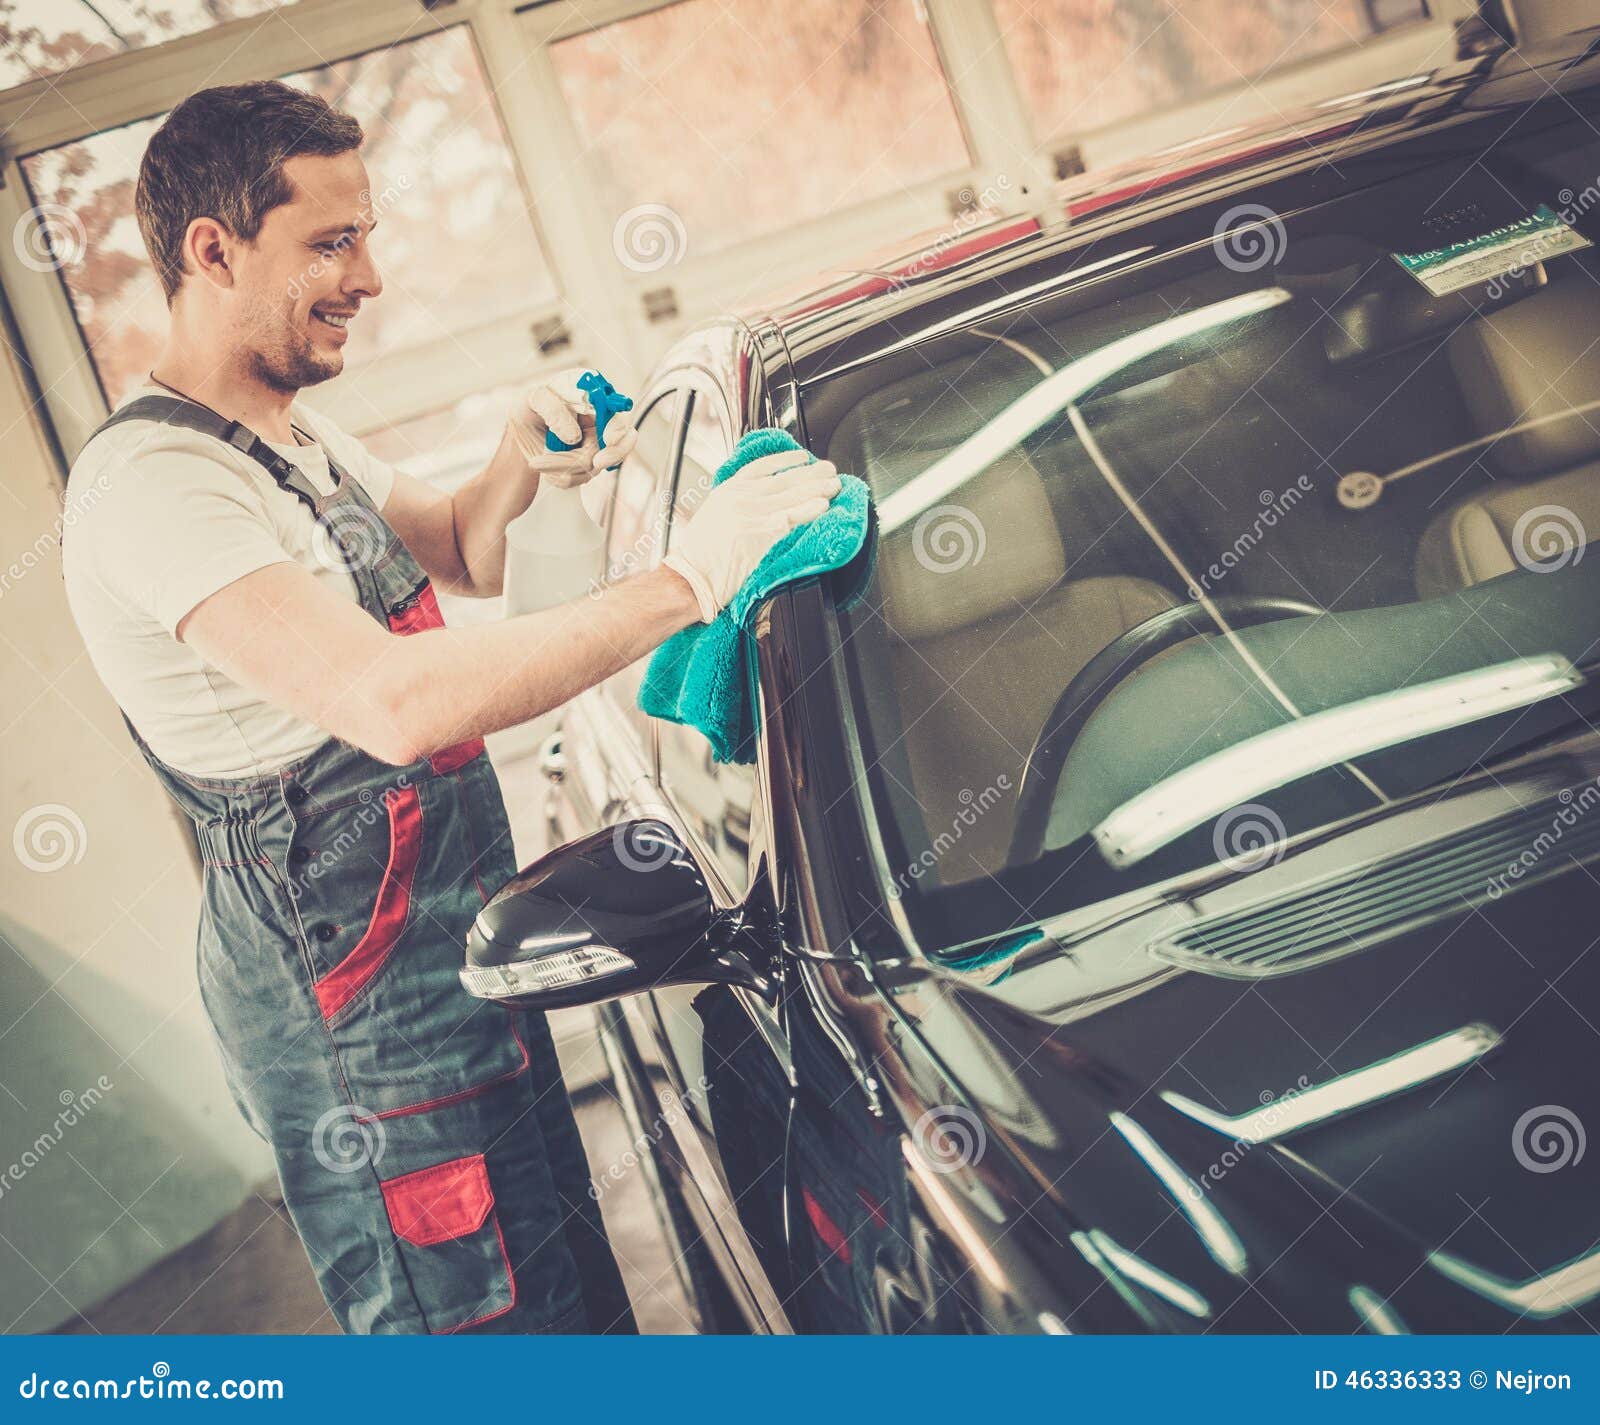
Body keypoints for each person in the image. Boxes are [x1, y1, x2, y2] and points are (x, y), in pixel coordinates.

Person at [60, 80, 839, 1334]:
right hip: (359, 1034)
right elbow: (397, 704)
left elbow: (464, 554)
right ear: (213, 250)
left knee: (570, 1309)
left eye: (364, 234)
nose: (369, 276)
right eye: (330, 242)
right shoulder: (152, 486)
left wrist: (516, 460)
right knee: (479, 1338)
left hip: (454, 971)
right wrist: (692, 578)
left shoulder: (289, 436)